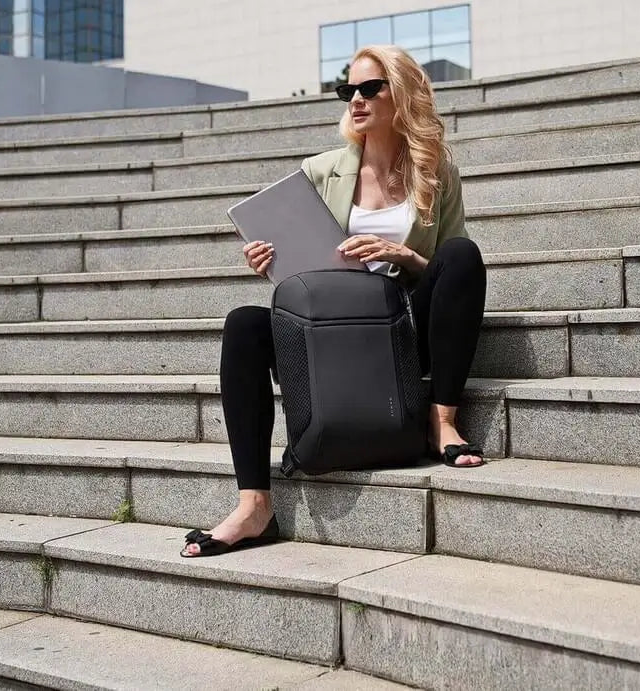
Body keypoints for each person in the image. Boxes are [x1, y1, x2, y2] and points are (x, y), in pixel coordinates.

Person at [181, 45, 487, 558]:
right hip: (335, 331)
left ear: (403, 93)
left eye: (371, 88)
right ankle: (254, 503)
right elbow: (307, 269)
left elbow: (449, 274)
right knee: (244, 325)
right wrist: (270, 260)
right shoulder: (321, 171)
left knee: (461, 254)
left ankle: (442, 418)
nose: (356, 100)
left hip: (403, 329)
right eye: (349, 91)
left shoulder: (437, 174)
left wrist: (404, 255)